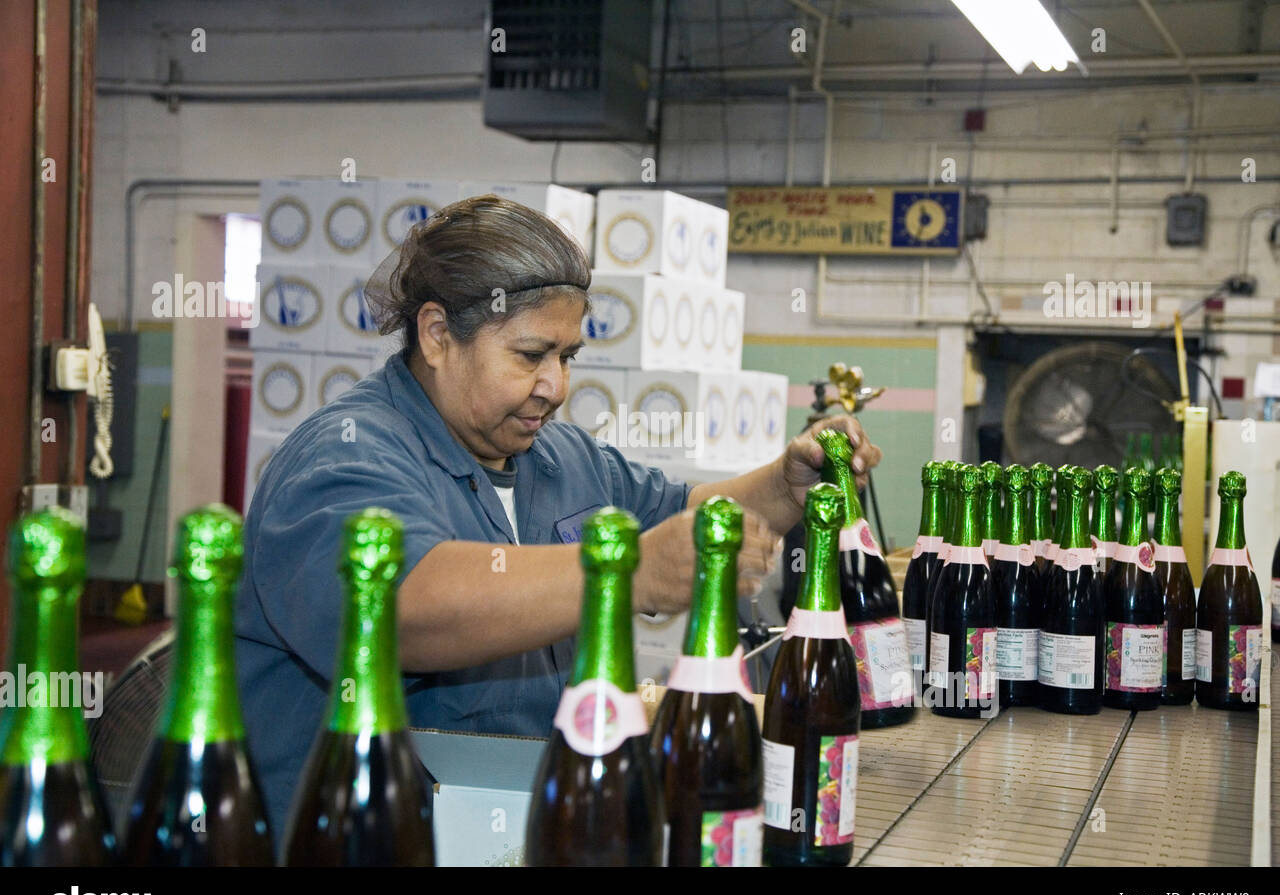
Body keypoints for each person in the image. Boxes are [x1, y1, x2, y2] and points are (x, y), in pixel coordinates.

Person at [235, 195, 882, 843]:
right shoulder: (345, 456)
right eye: (530, 355)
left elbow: (681, 517)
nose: (555, 386)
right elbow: (406, 606)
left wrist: (782, 485)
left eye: (567, 357)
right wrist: (630, 572)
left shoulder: (558, 458)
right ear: (436, 336)